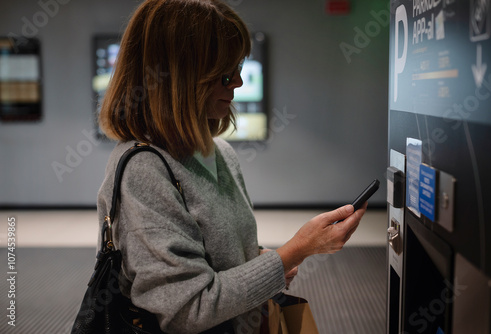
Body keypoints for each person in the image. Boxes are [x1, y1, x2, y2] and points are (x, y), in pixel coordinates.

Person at [97, 0, 367, 333]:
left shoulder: (220, 153)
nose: (238, 82)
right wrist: (295, 251)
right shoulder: (144, 172)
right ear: (180, 78)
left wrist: (257, 257)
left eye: (239, 66)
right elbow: (187, 310)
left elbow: (210, 250)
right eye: (224, 74)